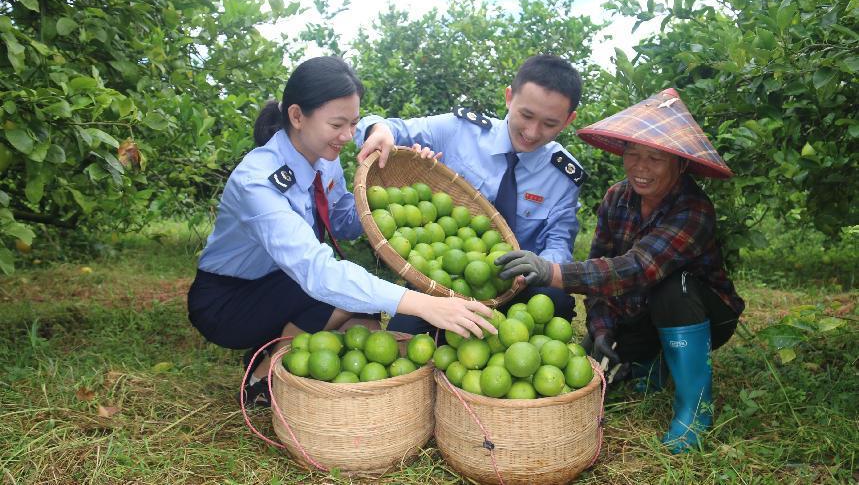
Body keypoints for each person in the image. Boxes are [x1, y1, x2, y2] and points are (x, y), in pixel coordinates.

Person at [187, 56, 495, 407]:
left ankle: (287, 355)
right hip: (228, 300)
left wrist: (401, 190)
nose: (348, 136)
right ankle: (262, 377)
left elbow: (345, 219)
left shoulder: (326, 159)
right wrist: (425, 304)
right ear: (297, 116)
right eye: (338, 124)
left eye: (353, 123)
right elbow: (318, 273)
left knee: (364, 327)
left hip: (283, 280)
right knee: (337, 296)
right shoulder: (258, 182)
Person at [494, 88, 745, 453]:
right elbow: (602, 266)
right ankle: (650, 363)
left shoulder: (694, 208)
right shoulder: (616, 197)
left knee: (673, 286)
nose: (640, 168)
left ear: (681, 164)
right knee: (591, 361)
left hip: (702, 315)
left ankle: (695, 408)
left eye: (655, 159)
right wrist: (601, 329)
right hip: (641, 311)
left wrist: (553, 272)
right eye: (633, 154)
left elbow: (638, 268)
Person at [355, 54, 587, 332]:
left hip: (516, 288)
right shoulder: (459, 131)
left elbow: (559, 244)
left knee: (555, 300)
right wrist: (379, 130)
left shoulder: (563, 176)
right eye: (526, 115)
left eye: (550, 124)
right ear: (509, 97)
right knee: (403, 337)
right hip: (444, 280)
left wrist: (539, 268)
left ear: (568, 120)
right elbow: (384, 126)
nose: (532, 131)